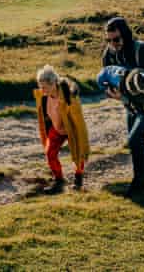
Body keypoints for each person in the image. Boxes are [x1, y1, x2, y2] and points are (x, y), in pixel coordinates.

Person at [101, 17, 144, 196]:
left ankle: (139, 183)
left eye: (116, 39)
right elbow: (107, 78)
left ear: (126, 36)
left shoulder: (142, 51)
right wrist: (113, 94)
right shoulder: (109, 54)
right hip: (130, 104)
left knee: (134, 140)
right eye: (109, 40)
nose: (112, 44)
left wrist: (126, 96)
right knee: (135, 141)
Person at [33, 64, 91, 192]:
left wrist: (73, 92)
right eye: (40, 86)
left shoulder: (68, 95)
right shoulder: (43, 97)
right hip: (57, 128)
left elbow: (77, 115)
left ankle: (78, 178)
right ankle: (58, 180)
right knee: (50, 153)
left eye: (44, 87)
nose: (42, 90)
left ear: (53, 83)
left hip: (71, 128)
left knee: (78, 151)